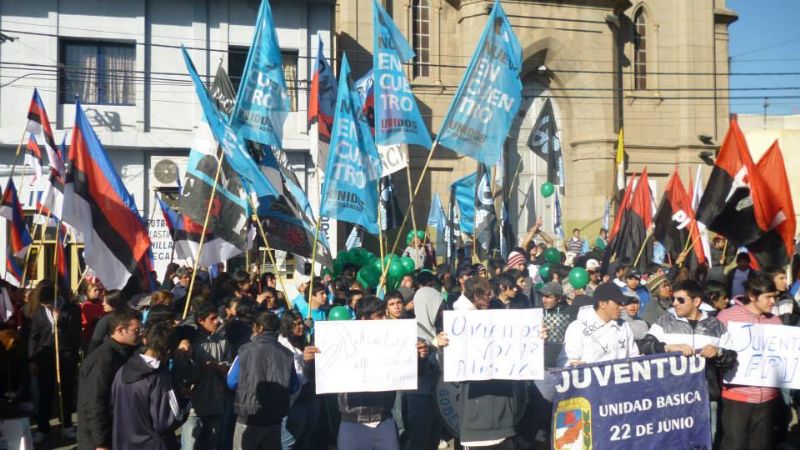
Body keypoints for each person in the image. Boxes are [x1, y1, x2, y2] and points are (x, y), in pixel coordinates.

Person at [638, 280, 737, 444]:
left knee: (706, 443)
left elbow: (731, 358)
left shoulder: (716, 325)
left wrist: (718, 352)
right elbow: (644, 346)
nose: (675, 303)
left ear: (696, 302)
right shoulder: (665, 322)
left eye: (680, 300)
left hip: (705, 398)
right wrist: (669, 347)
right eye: (674, 299)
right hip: (671, 399)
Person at [335, 296, 429, 450]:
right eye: (379, 316)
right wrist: (310, 362)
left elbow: (412, 374)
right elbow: (319, 376)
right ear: (364, 319)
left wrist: (420, 358)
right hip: (352, 423)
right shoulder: (343, 341)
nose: (385, 318)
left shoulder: (394, 338)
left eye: (385, 314)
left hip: (384, 421)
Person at [717, 275, 783, 450]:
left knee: (761, 445)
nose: (773, 301)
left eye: (775, 296)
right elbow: (716, 351)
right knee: (735, 445)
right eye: (768, 297)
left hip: (768, 397)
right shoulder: (727, 317)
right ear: (753, 296)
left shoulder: (775, 320)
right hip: (738, 395)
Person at [227, 311, 298, 450]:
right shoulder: (287, 354)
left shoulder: (245, 350)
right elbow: (293, 386)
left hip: (248, 418)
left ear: (258, 328)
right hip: (274, 419)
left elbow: (231, 381)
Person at [77, 309, 142, 450]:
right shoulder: (103, 360)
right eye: (135, 330)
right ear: (120, 330)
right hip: (100, 438)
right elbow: (95, 402)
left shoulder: (126, 353)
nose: (139, 334)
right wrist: (101, 443)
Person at [111, 321, 181, 449]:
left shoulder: (122, 371)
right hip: (152, 444)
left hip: (123, 442)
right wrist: (186, 403)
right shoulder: (158, 377)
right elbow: (165, 421)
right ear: (169, 351)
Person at [27, 281, 81, 441]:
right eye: (44, 304)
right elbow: (33, 337)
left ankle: (67, 425)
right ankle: (43, 429)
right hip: (45, 358)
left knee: (66, 393)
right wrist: (32, 360)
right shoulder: (39, 312)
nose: (47, 306)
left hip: (65, 357)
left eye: (49, 303)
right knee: (45, 394)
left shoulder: (72, 309)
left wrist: (60, 320)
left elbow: (76, 334)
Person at [176, 301, 232, 450]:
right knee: (190, 445)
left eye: (217, 318)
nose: (217, 321)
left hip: (216, 402)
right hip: (194, 406)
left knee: (211, 444)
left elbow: (230, 368)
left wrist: (219, 367)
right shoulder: (190, 342)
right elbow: (180, 370)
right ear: (200, 320)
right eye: (212, 318)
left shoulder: (222, 341)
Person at [562, 283, 640, 365]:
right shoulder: (577, 328)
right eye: (618, 303)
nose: (622, 307)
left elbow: (633, 355)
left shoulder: (624, 325)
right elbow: (566, 361)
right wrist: (572, 365)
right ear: (602, 304)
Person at [539, 282, 576, 368]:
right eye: (543, 296)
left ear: (559, 298)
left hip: (563, 363)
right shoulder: (537, 312)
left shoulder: (571, 312)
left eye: (548, 297)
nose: (544, 300)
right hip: (543, 365)